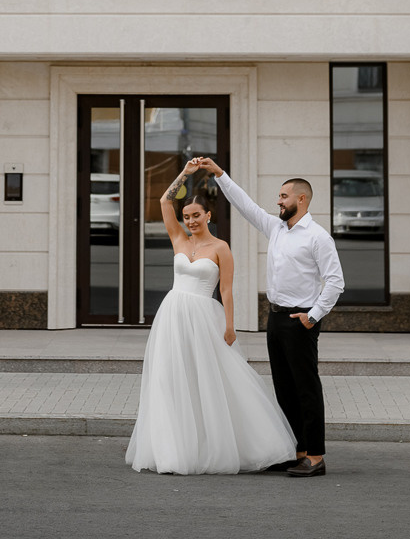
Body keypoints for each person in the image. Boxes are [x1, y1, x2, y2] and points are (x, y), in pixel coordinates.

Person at [125, 157, 296, 475]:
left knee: (213, 379)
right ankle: (175, 449)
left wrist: (230, 326)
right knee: (171, 379)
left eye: (196, 215)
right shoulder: (179, 239)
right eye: (187, 216)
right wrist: (184, 174)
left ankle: (250, 444)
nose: (191, 221)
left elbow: (226, 291)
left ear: (208, 215)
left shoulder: (221, 248)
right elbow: (164, 202)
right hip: (173, 317)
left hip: (204, 317)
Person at [198, 159, 344, 478]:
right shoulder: (276, 228)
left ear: (301, 199)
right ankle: (298, 451)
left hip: (300, 319)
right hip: (275, 317)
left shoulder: (317, 237)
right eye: (279, 196)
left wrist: (313, 316)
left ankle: (315, 456)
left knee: (306, 388)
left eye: (283, 196)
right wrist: (219, 174)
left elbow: (335, 282)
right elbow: (245, 205)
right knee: (284, 388)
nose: (278, 201)